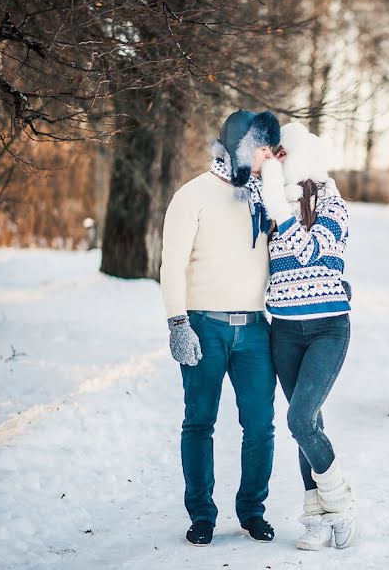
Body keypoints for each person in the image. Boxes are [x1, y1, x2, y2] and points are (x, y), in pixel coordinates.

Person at [160, 109, 281, 547]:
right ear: (243, 149)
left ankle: (252, 510)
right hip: (203, 326)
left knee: (261, 425)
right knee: (199, 422)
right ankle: (202, 515)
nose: (270, 159)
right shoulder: (192, 195)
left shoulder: (265, 197)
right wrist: (178, 322)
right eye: (265, 150)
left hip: (253, 330)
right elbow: (171, 265)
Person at [258, 122, 357, 550]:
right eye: (276, 157)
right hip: (284, 330)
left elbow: (310, 251)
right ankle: (316, 517)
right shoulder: (273, 206)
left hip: (327, 329)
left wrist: (277, 202)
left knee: (299, 419)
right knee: (309, 424)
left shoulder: (335, 208)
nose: (280, 165)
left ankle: (340, 504)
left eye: (285, 156)